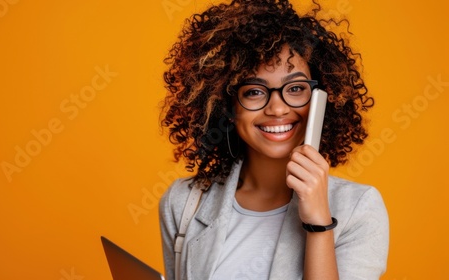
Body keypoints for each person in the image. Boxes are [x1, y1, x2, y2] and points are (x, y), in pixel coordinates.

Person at [158, 0, 389, 279]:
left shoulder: (359, 209)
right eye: (254, 92)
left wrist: (318, 224)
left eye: (295, 88)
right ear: (228, 106)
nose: (278, 109)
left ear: (320, 99)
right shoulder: (183, 203)